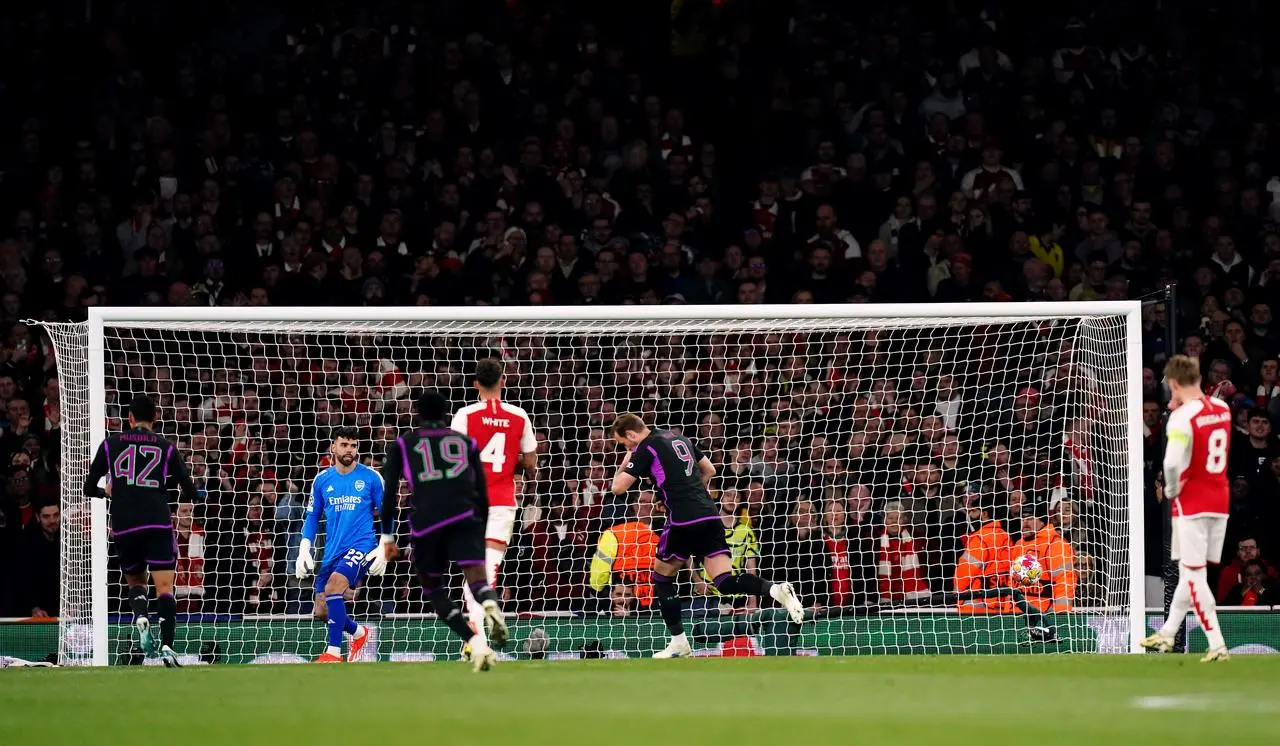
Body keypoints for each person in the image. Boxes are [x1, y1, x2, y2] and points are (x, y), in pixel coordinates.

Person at [608, 412, 804, 659]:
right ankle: (775, 590)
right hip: (709, 515)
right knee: (724, 580)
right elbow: (709, 470)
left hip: (682, 520)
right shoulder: (678, 436)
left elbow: (617, 487)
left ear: (630, 434)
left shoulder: (646, 447)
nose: (627, 447)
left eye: (625, 444)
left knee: (662, 577)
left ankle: (679, 642)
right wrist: (685, 492)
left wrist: (628, 458)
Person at [379, 391, 508, 673]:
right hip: (466, 517)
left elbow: (389, 496)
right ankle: (489, 603)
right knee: (477, 582)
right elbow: (482, 491)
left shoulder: (404, 443)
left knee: (434, 589)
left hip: (427, 522)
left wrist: (387, 537)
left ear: (418, 413)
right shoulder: (466, 442)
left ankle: (476, 643)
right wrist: (480, 526)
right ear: (446, 413)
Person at [83, 394, 197, 667]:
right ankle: (168, 646)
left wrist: (106, 492)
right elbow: (189, 489)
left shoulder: (111, 444)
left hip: (125, 523)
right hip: (157, 520)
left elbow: (88, 487)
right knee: (165, 587)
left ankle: (141, 615)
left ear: (130, 418)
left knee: (135, 582)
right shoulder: (165, 446)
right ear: (155, 418)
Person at [1143, 355, 1232, 662]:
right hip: (1219, 499)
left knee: (1193, 576)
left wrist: (1170, 489)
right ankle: (1167, 634)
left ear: (1175, 383)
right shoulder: (1222, 409)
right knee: (1187, 573)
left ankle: (1217, 644)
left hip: (1191, 503)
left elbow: (1170, 462)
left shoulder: (1182, 417)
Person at [450, 358, 537, 657]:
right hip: (502, 501)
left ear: (475, 383)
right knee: (489, 568)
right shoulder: (519, 416)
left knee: (471, 572)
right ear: (503, 381)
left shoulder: (464, 415)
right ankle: (482, 623)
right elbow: (530, 463)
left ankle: (478, 637)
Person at [294, 426, 386, 663]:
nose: (349, 450)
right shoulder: (322, 479)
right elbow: (312, 516)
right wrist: (304, 548)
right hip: (332, 550)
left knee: (335, 588)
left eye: (353, 446)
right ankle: (358, 632)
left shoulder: (371, 478)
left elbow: (388, 513)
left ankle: (333, 653)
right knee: (322, 611)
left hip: (362, 545)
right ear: (333, 447)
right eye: (344, 445)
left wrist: (385, 547)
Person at [953, 488, 1057, 642]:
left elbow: (963, 577)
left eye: (974, 511)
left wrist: (957, 597)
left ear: (985, 514)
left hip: (975, 612)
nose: (970, 516)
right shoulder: (1009, 540)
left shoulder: (980, 539)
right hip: (1002, 610)